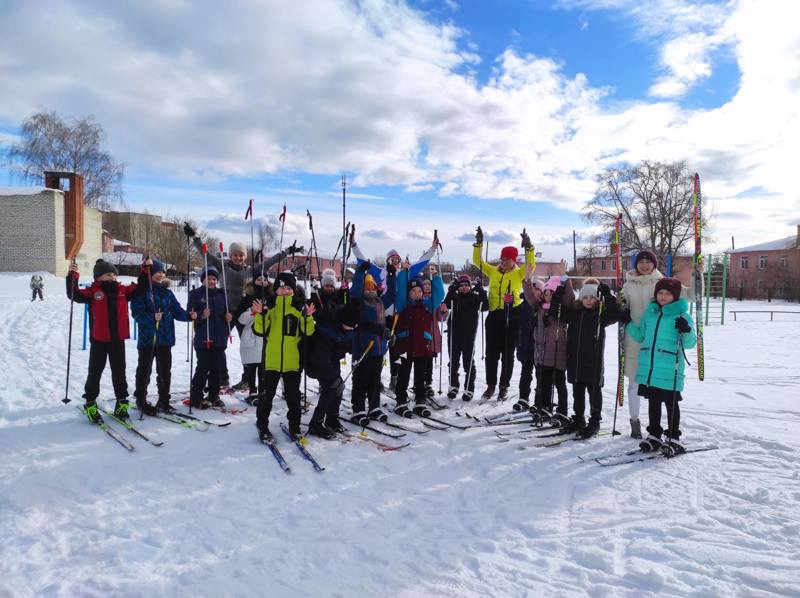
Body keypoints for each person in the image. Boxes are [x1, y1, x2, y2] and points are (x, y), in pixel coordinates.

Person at [185, 223, 303, 387]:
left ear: (244, 256)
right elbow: (206, 254)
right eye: (235, 255)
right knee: (220, 345)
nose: (238, 257)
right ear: (231, 255)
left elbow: (270, 263)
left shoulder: (250, 270)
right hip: (224, 312)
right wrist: (195, 237)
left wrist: (287, 252)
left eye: (241, 255)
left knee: (249, 346)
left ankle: (247, 379)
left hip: (244, 313)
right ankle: (222, 377)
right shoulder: (222, 266)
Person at [66, 259, 148, 423]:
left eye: (114, 275)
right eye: (108, 274)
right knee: (95, 372)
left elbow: (142, 287)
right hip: (99, 341)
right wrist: (72, 276)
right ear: (98, 278)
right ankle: (90, 402)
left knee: (119, 373)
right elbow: (73, 294)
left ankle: (122, 403)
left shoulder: (123, 291)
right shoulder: (93, 292)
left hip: (118, 340)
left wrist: (145, 270)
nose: (112, 277)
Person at [620, 249, 689, 439]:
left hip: (663, 342)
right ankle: (635, 421)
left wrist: (696, 278)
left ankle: (668, 432)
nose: (644, 265)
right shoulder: (627, 285)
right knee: (635, 383)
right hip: (637, 338)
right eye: (640, 262)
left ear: (654, 264)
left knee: (660, 391)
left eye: (647, 261)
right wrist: (621, 314)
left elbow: (690, 295)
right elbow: (619, 304)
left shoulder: (663, 283)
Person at [472, 228, 536, 400]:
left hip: (512, 316)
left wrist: (529, 247)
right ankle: (491, 385)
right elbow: (477, 261)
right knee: (491, 354)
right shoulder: (493, 271)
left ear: (513, 260)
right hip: (494, 315)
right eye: (502, 258)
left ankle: (503, 386)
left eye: (507, 259)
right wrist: (478, 243)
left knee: (507, 354)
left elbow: (531, 265)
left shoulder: (518, 273)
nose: (503, 261)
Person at [252, 271, 316, 442]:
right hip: (271, 361)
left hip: (292, 362)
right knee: (266, 397)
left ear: (294, 290)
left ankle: (295, 427)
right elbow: (260, 330)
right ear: (275, 290)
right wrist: (261, 315)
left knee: (293, 398)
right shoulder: (270, 308)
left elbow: (308, 331)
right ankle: (262, 425)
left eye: (288, 288)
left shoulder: (298, 309)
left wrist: (308, 317)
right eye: (281, 288)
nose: (285, 290)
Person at [130, 259, 190, 415]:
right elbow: (137, 314)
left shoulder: (167, 292)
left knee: (165, 371)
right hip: (148, 339)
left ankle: (164, 400)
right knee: (145, 370)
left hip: (165, 338)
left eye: (163, 272)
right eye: (157, 272)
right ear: (150, 274)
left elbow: (177, 311)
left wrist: (190, 316)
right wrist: (152, 318)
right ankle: (141, 399)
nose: (161, 275)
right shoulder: (142, 292)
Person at [343, 262, 397, 425]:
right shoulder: (359, 303)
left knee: (375, 379)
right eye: (367, 289)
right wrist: (360, 273)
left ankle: (374, 407)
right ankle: (358, 409)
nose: (370, 291)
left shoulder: (380, 302)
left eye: (372, 288)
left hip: (378, 349)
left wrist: (391, 276)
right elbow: (355, 293)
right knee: (360, 379)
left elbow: (391, 296)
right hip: (362, 348)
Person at [564, 278, 619, 438]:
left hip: (593, 362)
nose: (589, 301)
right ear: (581, 298)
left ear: (597, 299)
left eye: (592, 297)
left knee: (594, 392)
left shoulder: (600, 315)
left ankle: (595, 420)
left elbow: (614, 314)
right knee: (577, 392)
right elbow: (557, 313)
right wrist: (558, 295)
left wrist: (608, 296)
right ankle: (578, 418)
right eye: (585, 297)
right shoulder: (575, 313)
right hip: (575, 360)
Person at [306, 268, 351, 438]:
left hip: (334, 352)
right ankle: (316, 423)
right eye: (327, 286)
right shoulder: (316, 299)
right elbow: (311, 320)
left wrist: (345, 294)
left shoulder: (339, 298)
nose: (329, 288)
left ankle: (333, 417)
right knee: (332, 386)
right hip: (319, 353)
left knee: (337, 386)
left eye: (332, 286)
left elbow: (346, 313)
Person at [393, 268, 444, 417]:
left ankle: (420, 401)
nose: (417, 293)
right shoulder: (402, 304)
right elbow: (401, 289)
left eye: (419, 291)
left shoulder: (428, 305)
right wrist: (403, 272)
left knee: (420, 377)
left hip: (423, 346)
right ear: (409, 293)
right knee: (403, 375)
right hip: (404, 347)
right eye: (413, 291)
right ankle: (401, 401)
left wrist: (435, 277)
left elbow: (440, 294)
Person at [524, 275, 573, 424]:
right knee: (543, 383)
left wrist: (565, 280)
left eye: (552, 294)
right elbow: (529, 295)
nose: (548, 296)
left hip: (558, 355)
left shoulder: (560, 309)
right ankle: (545, 407)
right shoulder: (538, 307)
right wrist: (526, 280)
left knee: (559, 384)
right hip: (542, 355)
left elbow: (569, 297)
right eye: (546, 293)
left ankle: (562, 410)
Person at [186, 266, 233, 409]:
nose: (212, 281)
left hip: (219, 338)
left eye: (214, 279)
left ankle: (214, 395)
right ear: (203, 280)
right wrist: (201, 315)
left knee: (216, 369)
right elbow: (190, 313)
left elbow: (228, 312)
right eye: (209, 279)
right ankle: (196, 397)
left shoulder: (222, 294)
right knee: (202, 368)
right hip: (203, 338)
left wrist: (229, 317)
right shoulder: (195, 294)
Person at [442, 275, 488, 401]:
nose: (464, 288)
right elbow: (446, 304)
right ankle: (453, 385)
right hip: (454, 334)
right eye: (461, 286)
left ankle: (469, 388)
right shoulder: (454, 297)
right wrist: (451, 291)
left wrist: (482, 291)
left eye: (466, 285)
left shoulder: (474, 297)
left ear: (470, 286)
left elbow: (485, 306)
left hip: (468, 335)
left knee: (468, 362)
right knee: (453, 361)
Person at [234, 275, 272, 404]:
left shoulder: (272, 298)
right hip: (250, 337)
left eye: (265, 280)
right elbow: (241, 320)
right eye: (259, 279)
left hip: (266, 338)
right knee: (251, 367)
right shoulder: (247, 299)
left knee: (264, 368)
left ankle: (263, 391)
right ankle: (252, 391)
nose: (262, 282)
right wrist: (253, 311)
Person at [513, 275, 543, 412]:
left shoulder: (543, 307)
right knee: (525, 373)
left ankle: (540, 400)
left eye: (537, 289)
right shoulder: (522, 306)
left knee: (541, 375)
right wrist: (508, 305)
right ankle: (523, 398)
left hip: (540, 348)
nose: (534, 291)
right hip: (525, 345)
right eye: (532, 288)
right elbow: (512, 320)